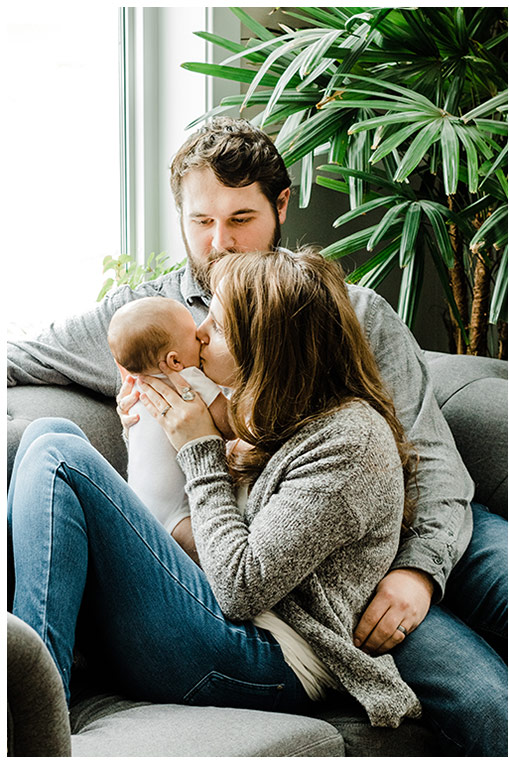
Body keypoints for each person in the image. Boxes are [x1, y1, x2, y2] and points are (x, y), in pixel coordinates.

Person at [7, 117, 507, 755]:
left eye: (240, 219)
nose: (220, 243)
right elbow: (24, 355)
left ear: (280, 207)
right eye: (201, 221)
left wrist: (418, 572)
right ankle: (28, 701)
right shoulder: (150, 319)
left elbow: (430, 465)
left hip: (376, 547)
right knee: (51, 441)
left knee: (497, 654)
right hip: (286, 562)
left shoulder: (342, 317)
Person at [9, 248, 421, 726]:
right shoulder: (278, 411)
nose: (199, 332)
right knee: (49, 433)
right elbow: (199, 515)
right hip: (224, 615)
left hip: (272, 657)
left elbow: (240, 588)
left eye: (220, 328)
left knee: (60, 458)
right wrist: (150, 425)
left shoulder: (350, 442)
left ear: (268, 347)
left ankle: (27, 719)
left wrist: (200, 448)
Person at [107, 296, 228, 553]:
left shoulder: (137, 388)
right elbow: (229, 424)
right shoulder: (188, 377)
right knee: (211, 554)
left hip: (137, 500)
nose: (201, 334)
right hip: (177, 512)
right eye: (194, 335)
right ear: (174, 361)